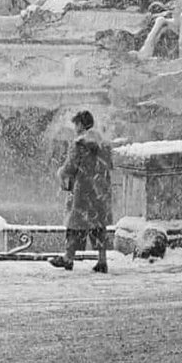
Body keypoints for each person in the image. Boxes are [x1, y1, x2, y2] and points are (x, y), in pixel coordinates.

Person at [49, 110, 111, 273]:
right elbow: (109, 164)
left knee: (74, 225)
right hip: (98, 188)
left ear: (82, 125)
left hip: (82, 190)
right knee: (97, 225)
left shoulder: (79, 144)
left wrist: (61, 173)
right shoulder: (103, 144)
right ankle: (102, 260)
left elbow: (70, 166)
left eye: (76, 124)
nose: (75, 127)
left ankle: (68, 258)